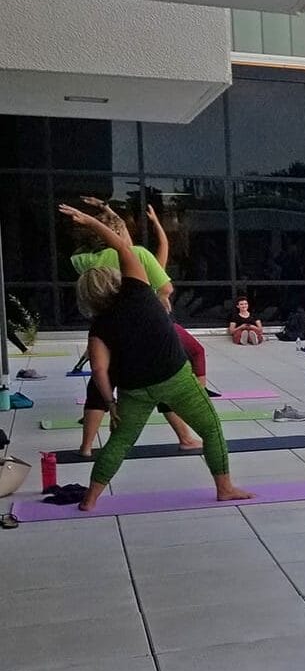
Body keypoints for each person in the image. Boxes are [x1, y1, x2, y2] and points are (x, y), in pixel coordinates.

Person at [57, 204, 251, 511]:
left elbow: (99, 371)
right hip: (174, 378)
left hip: (134, 390)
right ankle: (224, 488)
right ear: (115, 279)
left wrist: (110, 403)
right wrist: (92, 221)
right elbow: (121, 244)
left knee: (119, 443)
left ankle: (90, 499)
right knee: (212, 428)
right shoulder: (137, 289)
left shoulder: (99, 325)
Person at [69, 199, 205, 458]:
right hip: (146, 328)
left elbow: (98, 370)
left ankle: (86, 446)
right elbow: (163, 284)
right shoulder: (139, 257)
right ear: (120, 232)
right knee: (165, 376)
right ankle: (186, 435)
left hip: (109, 332)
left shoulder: (84, 260)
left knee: (99, 386)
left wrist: (98, 219)